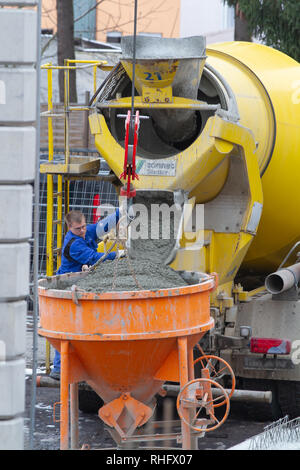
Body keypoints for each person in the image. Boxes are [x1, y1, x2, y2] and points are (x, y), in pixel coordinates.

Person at [50, 208, 120, 380]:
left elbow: (103, 226)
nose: (82, 231)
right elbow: (94, 259)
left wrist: (123, 210)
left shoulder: (86, 231)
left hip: (80, 283)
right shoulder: (73, 244)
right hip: (67, 285)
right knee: (66, 328)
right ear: (69, 228)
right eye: (77, 229)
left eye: (83, 226)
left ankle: (79, 364)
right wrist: (118, 255)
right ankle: (59, 369)